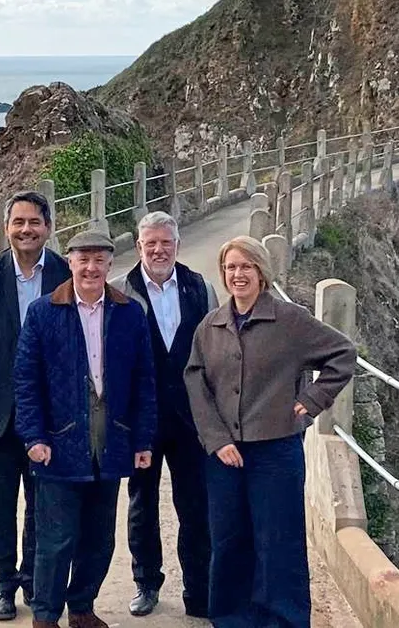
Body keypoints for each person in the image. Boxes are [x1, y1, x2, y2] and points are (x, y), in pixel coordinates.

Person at [184, 235, 356, 628]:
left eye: (246, 266)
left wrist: (312, 401)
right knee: (228, 539)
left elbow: (343, 354)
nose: (238, 274)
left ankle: (284, 619)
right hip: (225, 456)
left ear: (261, 272)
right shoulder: (210, 325)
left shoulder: (290, 320)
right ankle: (230, 618)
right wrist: (217, 440)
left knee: (278, 541)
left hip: (276, 451)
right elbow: (195, 383)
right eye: (231, 267)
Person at [13, 230, 158, 628]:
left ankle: (82, 607)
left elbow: (145, 380)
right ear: (70, 262)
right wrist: (34, 436)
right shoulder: (44, 312)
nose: (91, 268)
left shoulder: (130, 312)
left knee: (99, 538)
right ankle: (45, 616)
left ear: (111, 265)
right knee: (55, 540)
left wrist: (142, 439)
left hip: (111, 441)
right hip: (59, 443)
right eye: (83, 260)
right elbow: (26, 380)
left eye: (99, 260)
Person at [0, 190, 71, 621]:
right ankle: (3, 583)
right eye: (18, 222)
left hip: (50, 414)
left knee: (43, 504)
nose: (26, 230)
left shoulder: (65, 272)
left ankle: (32, 579)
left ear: (48, 227)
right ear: (6, 227)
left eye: (35, 222)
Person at [108, 211, 217, 618]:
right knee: (142, 504)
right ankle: (146, 583)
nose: (158, 250)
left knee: (195, 505)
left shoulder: (200, 288)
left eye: (165, 243)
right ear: (138, 247)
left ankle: (199, 589)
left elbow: (216, 352)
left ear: (177, 245)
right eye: (150, 243)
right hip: (142, 420)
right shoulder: (120, 291)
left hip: (192, 418)